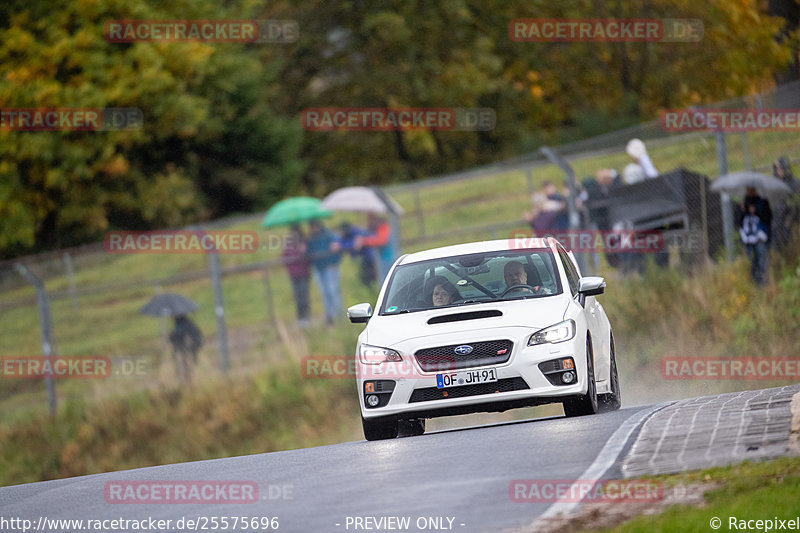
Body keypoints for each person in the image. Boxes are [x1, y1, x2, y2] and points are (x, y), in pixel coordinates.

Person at [307, 219, 342, 325]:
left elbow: (337, 247)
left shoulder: (329, 235)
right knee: (324, 293)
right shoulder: (311, 240)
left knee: (333, 291)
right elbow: (309, 254)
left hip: (330, 268)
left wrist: (334, 262)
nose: (314, 229)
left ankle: (339, 316)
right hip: (319, 269)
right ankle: (329, 316)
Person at [282, 224, 311, 327]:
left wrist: (303, 251)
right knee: (298, 297)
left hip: (303, 273)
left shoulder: (304, 241)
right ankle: (300, 318)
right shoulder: (289, 243)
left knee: (304, 296)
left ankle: (306, 317)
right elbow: (285, 256)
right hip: (294, 274)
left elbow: (308, 258)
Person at [356, 213, 396, 281]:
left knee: (388, 281)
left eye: (371, 220)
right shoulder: (376, 230)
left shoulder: (383, 228)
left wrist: (364, 241)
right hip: (382, 260)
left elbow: (381, 241)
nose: (369, 223)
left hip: (388, 260)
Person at [337, 221, 376, 287]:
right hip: (362, 260)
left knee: (370, 279)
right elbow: (338, 244)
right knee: (364, 281)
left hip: (369, 259)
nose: (340, 233)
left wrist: (342, 246)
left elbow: (357, 245)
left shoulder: (356, 232)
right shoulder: (346, 235)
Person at [740, 202, 770, 285]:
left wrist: (759, 236)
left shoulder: (759, 217)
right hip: (748, 243)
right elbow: (742, 228)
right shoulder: (745, 217)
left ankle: (763, 281)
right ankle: (754, 281)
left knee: (761, 262)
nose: (751, 209)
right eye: (750, 207)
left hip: (758, 242)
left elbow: (763, 230)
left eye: (753, 207)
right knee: (751, 262)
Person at [169, 315, 202, 383]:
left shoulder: (181, 324)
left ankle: (187, 377)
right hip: (191, 347)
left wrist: (172, 336)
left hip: (187, 348)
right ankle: (189, 376)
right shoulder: (188, 323)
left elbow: (179, 337)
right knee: (190, 362)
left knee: (186, 363)